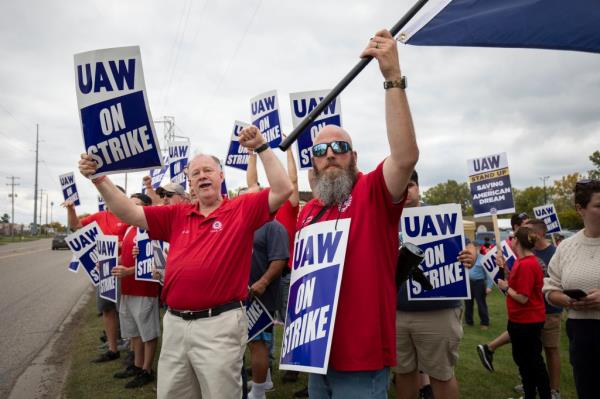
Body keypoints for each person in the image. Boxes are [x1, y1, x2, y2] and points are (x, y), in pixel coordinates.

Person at [78, 126, 293, 399]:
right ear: (190, 183)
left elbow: (284, 188)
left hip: (219, 325)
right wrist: (99, 179)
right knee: (173, 394)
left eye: (208, 171)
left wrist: (261, 146)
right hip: (176, 325)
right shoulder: (177, 214)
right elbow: (130, 212)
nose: (202, 176)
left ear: (221, 176)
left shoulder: (240, 209)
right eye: (195, 173)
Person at [295, 28, 419, 399]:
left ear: (354, 157)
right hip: (316, 353)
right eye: (321, 150)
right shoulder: (309, 212)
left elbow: (405, 157)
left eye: (340, 147)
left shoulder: (371, 192)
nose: (330, 153)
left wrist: (392, 80)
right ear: (312, 166)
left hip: (361, 358)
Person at [395, 170, 476, 399]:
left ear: (418, 187)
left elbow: (469, 245)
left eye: (409, 185)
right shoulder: (384, 218)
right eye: (399, 185)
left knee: (441, 375)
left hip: (438, 311)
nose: (405, 191)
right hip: (396, 312)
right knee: (403, 372)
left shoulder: (439, 216)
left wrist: (471, 254)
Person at [543, 179, 600, 399]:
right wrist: (567, 300)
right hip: (581, 332)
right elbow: (550, 288)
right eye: (598, 205)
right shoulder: (566, 247)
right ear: (580, 209)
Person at [63, 193, 128, 363]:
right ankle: (112, 349)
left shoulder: (127, 215)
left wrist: (117, 245)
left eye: (111, 198)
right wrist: (71, 209)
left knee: (125, 310)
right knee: (107, 309)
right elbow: (75, 225)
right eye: (106, 199)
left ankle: (132, 349)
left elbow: (135, 240)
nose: (108, 202)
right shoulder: (99, 217)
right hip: (104, 270)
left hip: (123, 269)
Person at [110, 193, 161, 388]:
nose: (130, 208)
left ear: (146, 208)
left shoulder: (151, 228)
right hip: (128, 289)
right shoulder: (130, 229)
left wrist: (129, 271)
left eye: (136, 205)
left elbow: (154, 262)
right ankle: (137, 365)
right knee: (134, 332)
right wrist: (110, 264)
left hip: (145, 289)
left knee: (147, 332)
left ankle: (147, 369)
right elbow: (126, 258)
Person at [497, 226, 551, 399]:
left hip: (527, 321)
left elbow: (522, 297)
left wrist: (506, 288)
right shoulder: (522, 261)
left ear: (517, 241)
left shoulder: (528, 264)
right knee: (524, 362)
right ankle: (530, 394)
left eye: (512, 238)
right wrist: (503, 268)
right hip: (520, 320)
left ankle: (543, 395)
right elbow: (517, 284)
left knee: (532, 363)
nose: (510, 241)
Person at [477, 212, 529, 372]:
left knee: (527, 344)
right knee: (526, 347)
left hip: (528, 303)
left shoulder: (527, 247)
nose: (531, 227)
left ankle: (489, 348)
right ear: (516, 227)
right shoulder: (510, 247)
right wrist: (503, 268)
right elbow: (506, 281)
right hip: (521, 303)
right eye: (527, 224)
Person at [246, 220, 289, 399]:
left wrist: (263, 282)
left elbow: (279, 259)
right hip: (241, 294)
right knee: (249, 340)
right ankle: (266, 379)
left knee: (258, 342)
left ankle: (258, 393)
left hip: (260, 296)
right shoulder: (244, 224)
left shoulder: (274, 226)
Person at [464, 251, 493, 330]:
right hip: (468, 282)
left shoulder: (483, 258)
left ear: (477, 248)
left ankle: (484, 322)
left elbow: (489, 274)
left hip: (479, 283)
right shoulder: (466, 257)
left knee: (481, 303)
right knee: (468, 303)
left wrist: (489, 286)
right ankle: (468, 321)